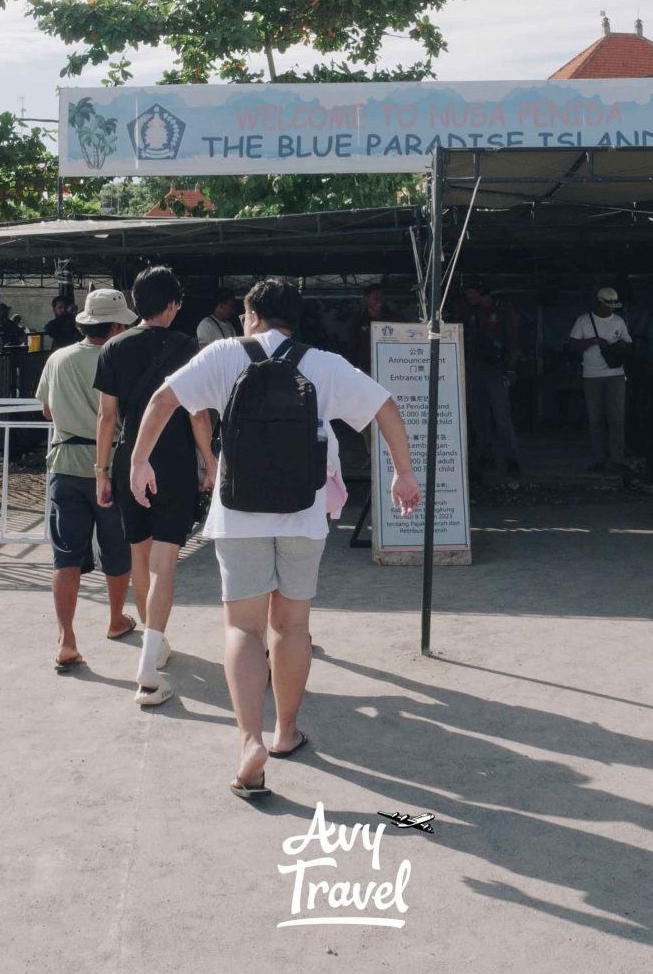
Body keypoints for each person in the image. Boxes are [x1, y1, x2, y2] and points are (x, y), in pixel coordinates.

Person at [126, 277, 421, 797]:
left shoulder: (222, 355)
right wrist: (403, 473)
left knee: (243, 628)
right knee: (291, 625)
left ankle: (249, 743)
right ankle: (286, 731)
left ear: (253, 315)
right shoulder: (322, 363)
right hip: (303, 514)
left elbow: (162, 400)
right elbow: (386, 407)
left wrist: (138, 460)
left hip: (238, 513)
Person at [95, 267, 201, 705]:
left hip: (127, 459)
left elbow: (106, 417)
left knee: (138, 550)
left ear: (135, 303)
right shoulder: (188, 346)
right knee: (166, 559)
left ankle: (152, 646)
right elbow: (197, 411)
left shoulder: (113, 347)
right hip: (173, 459)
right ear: (173, 304)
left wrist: (101, 471)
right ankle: (154, 643)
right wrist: (208, 459)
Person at [37, 289, 137, 673]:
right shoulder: (120, 359)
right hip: (109, 466)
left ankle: (66, 639)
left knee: (66, 555)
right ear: (113, 326)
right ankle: (115, 620)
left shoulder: (58, 358)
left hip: (64, 465)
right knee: (116, 547)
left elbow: (47, 411)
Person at [568, 287, 632, 472]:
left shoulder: (618, 321)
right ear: (597, 303)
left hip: (616, 375)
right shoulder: (583, 320)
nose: (610, 310)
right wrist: (594, 341)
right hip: (591, 375)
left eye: (612, 307)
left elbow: (629, 345)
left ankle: (617, 460)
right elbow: (572, 345)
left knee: (616, 419)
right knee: (595, 419)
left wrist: (621, 345)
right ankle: (598, 459)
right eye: (606, 306)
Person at [462, 285, 523, 477]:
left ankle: (512, 459)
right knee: (478, 417)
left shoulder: (503, 309)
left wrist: (511, 368)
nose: (469, 297)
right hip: (473, 370)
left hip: (497, 370)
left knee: (501, 416)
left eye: (472, 293)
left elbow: (513, 340)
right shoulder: (469, 312)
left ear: (482, 293)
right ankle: (485, 457)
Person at [345, 283, 388, 373]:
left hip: (388, 366)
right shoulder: (358, 320)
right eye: (375, 298)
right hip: (364, 369)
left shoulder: (393, 318)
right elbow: (352, 347)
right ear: (366, 299)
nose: (379, 301)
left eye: (382, 297)